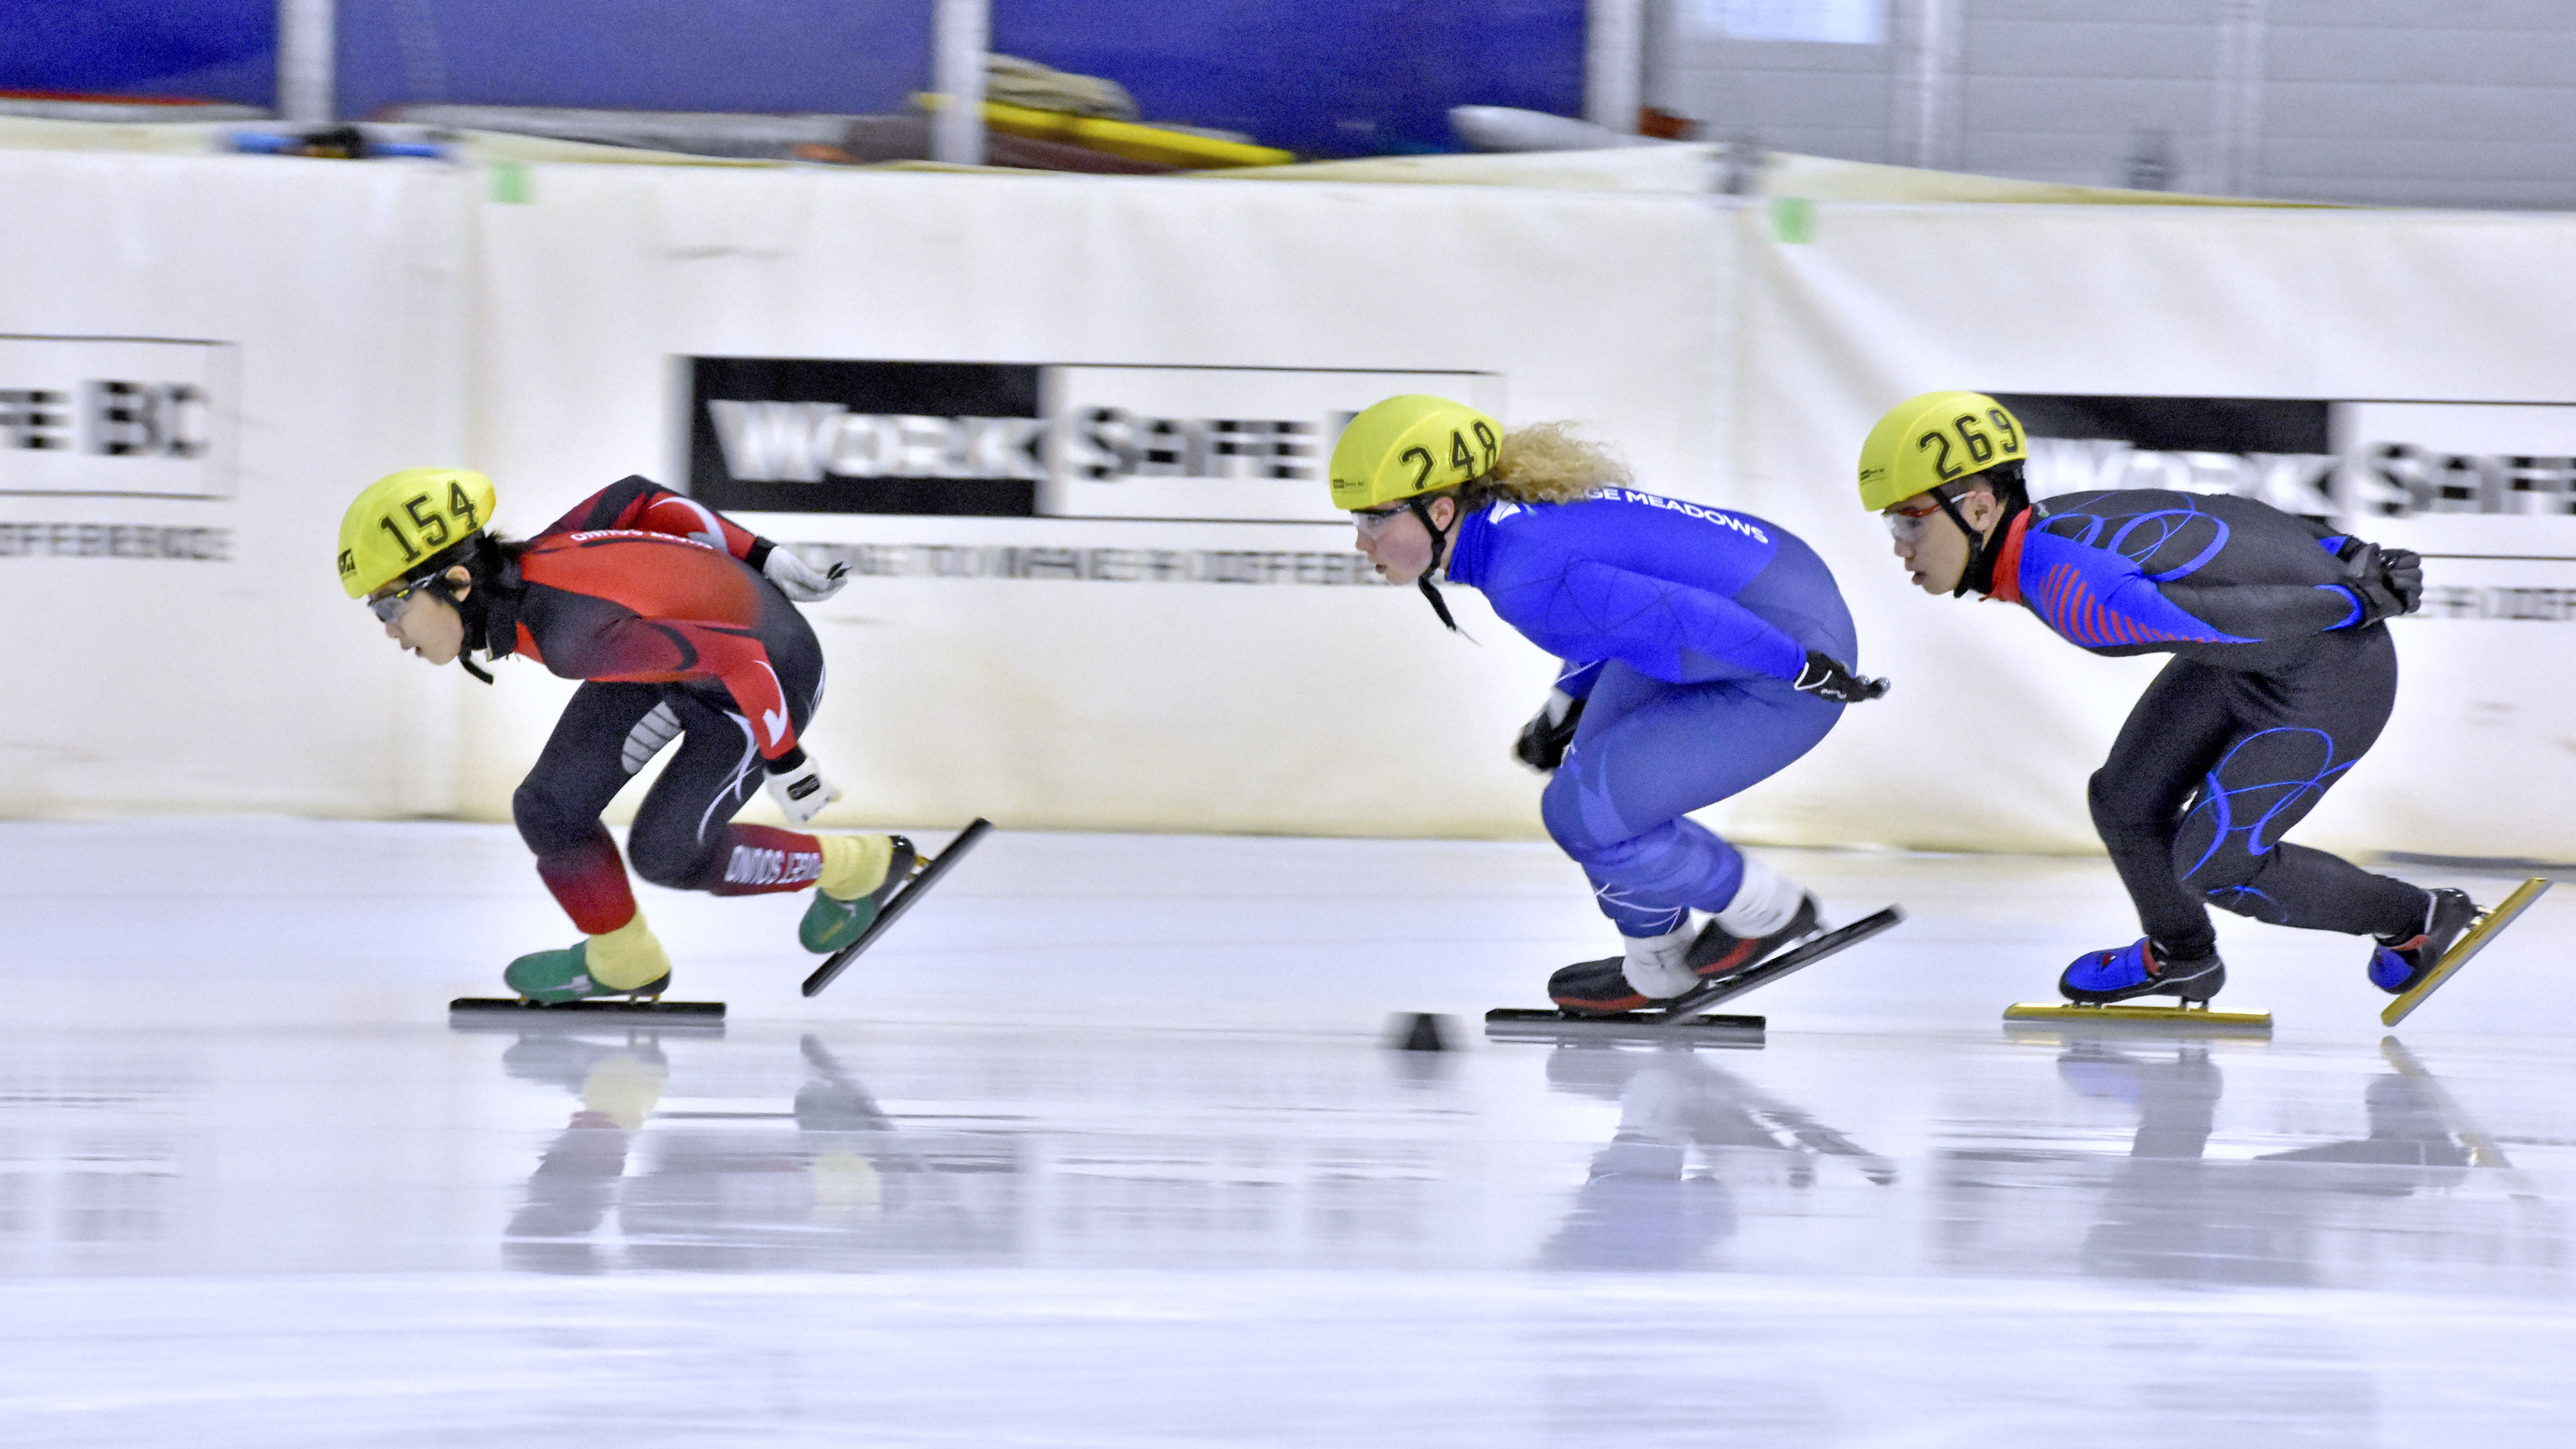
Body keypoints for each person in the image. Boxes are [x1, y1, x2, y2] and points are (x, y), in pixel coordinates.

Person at [1856, 390, 2463, 1007]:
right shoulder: (2053, 525)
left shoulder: (2070, 590)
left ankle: (2417, 919)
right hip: (2258, 657)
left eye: (1909, 519)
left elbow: (2223, 619)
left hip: (2333, 671)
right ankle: (2184, 957)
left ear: (1980, 508)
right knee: (2125, 799)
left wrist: (2357, 597)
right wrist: (2340, 553)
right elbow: (2217, 512)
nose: (1900, 545)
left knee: (2214, 864)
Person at [1330, 395, 1889, 1015]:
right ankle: (1660, 964)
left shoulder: (1521, 574)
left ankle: (1767, 909)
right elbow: (1615, 613)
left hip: (1777, 657)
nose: (1361, 540)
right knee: (1596, 776)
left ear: (1439, 510)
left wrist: (1806, 669)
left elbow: (1686, 615)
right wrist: (1561, 706)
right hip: (1772, 596)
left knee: (1581, 811)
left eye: (1375, 518)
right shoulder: (1512, 529)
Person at [335, 468, 913, 1003]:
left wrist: (785, 759)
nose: (389, 630)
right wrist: (762, 553)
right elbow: (636, 498)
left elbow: (745, 659)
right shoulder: (538, 569)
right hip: (675, 652)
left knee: (666, 853)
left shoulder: (572, 637)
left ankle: (860, 866)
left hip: (767, 675)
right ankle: (622, 958)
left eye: (389, 607)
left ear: (458, 583)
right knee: (549, 808)